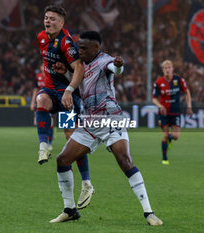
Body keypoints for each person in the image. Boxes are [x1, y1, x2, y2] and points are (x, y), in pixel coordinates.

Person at [49, 31, 163, 226]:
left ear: (96, 48)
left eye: (84, 48)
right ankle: (69, 210)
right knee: (62, 160)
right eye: (79, 47)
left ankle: (149, 213)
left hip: (111, 119)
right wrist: (66, 73)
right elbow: (80, 84)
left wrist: (119, 66)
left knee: (124, 160)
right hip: (90, 122)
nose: (80, 50)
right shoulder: (80, 65)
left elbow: (115, 69)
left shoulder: (105, 61)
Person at [36, 5, 94, 209]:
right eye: (46, 17)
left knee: (72, 141)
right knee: (40, 100)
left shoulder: (67, 43)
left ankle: (86, 183)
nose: (47, 21)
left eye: (52, 18)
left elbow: (79, 68)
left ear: (61, 23)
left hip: (67, 97)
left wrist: (69, 89)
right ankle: (44, 146)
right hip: (50, 91)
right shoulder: (42, 37)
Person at [152, 60, 193, 165]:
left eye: (169, 68)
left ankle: (170, 139)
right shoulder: (158, 82)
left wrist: (189, 106)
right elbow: (154, 98)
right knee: (165, 135)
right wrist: (160, 106)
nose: (167, 70)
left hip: (175, 112)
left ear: (172, 69)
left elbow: (187, 92)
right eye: (165, 68)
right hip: (164, 113)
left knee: (175, 136)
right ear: (162, 70)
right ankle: (164, 158)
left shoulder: (179, 80)